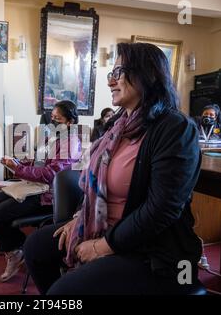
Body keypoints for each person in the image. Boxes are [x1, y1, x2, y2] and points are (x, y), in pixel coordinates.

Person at [24, 42, 202, 295]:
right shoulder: (118, 125)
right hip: (104, 226)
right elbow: (94, 183)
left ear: (146, 74)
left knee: (63, 293)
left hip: (149, 246)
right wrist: (78, 219)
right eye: (111, 74)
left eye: (118, 73)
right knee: (36, 248)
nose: (110, 82)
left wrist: (103, 246)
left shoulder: (175, 128)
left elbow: (162, 210)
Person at [0, 100, 82, 283]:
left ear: (70, 122)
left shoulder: (70, 143)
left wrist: (18, 170)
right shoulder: (54, 138)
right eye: (52, 118)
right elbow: (39, 163)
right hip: (34, 187)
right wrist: (18, 163)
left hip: (47, 196)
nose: (52, 122)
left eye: (57, 119)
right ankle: (17, 247)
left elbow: (51, 174)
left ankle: (17, 250)